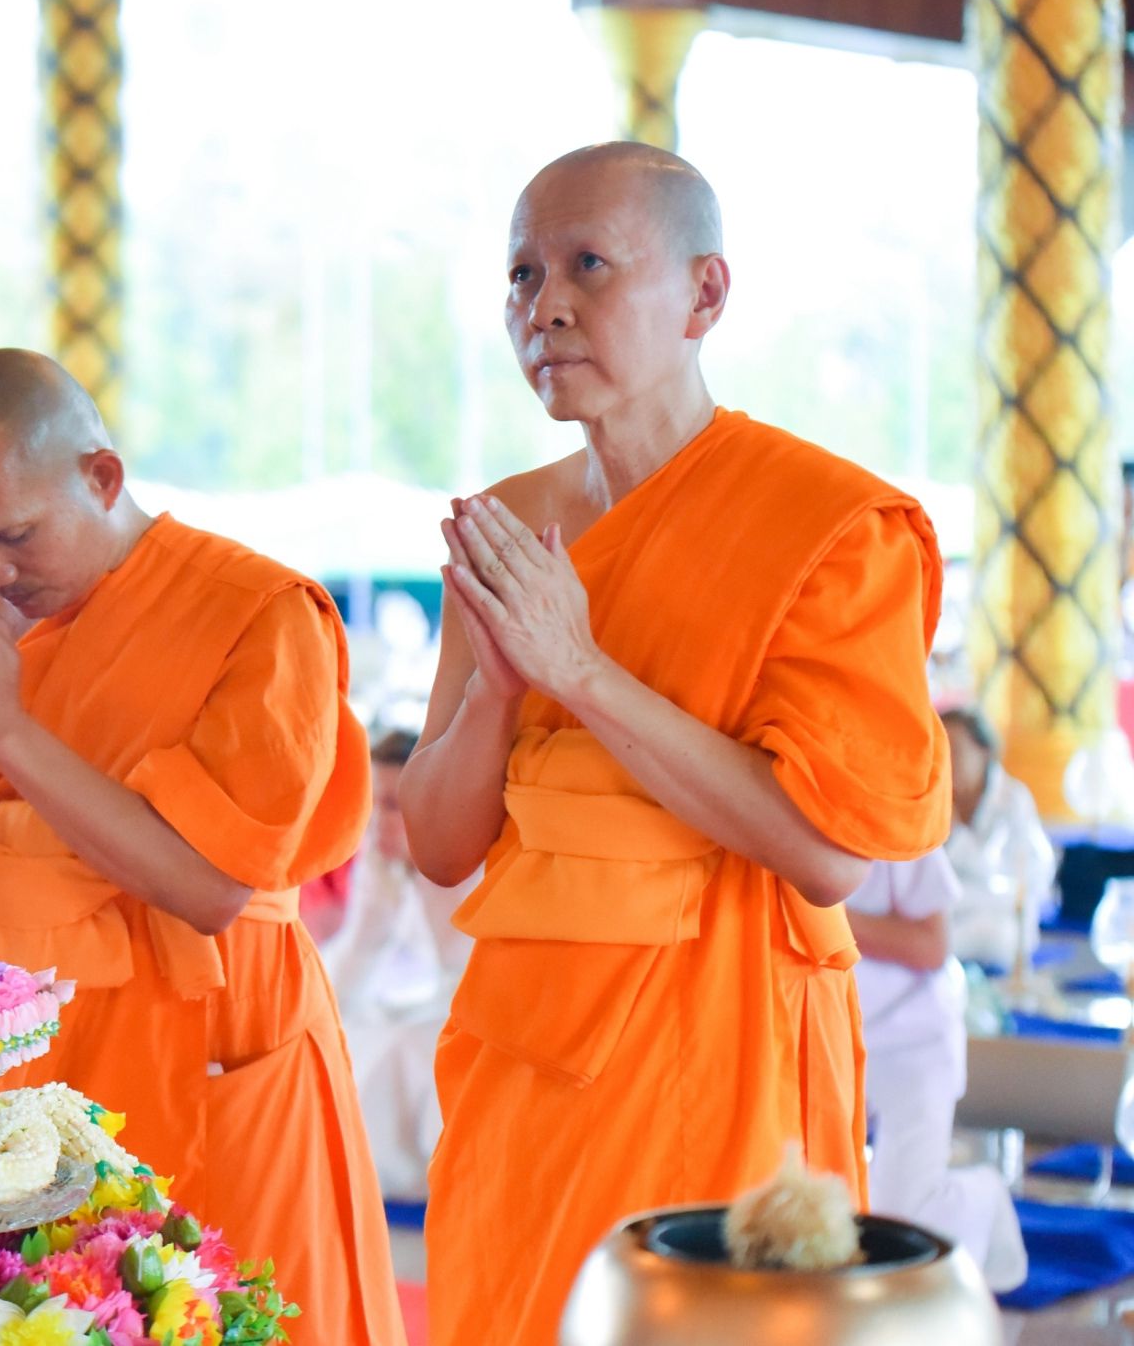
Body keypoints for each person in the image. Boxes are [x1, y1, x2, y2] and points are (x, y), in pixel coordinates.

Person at [400, 143, 951, 1344]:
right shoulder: (508, 528)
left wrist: (581, 675)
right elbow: (441, 847)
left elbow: (825, 857)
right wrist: (499, 690)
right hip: (524, 1059)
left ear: (705, 295)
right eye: (520, 276)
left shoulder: (819, 526)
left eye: (587, 266)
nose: (542, 306)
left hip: (721, 1057)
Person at [0, 348, 403, 1342]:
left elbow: (213, 887)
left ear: (100, 476)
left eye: (14, 535)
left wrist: (5, 730)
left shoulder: (259, 615)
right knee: (14, 1315)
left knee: (234, 1314)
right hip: (14, 1029)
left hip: (211, 1024)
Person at [844, 851, 1028, 1292]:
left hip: (914, 1039)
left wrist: (823, 911)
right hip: (838, 1034)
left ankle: (984, 1196)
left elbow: (931, 944)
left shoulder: (897, 808)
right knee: (841, 1202)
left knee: (900, 1217)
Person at [318, 726, 476, 1201]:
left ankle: (438, 1184)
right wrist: (317, 1017)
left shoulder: (461, 857)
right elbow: (359, 950)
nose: (374, 823)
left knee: (407, 1044)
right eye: (372, 804)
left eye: (391, 806)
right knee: (358, 1030)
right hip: (442, 996)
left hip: (480, 1004)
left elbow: (465, 971)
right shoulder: (383, 860)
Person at [941, 706, 1057, 969]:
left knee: (989, 935)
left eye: (956, 750)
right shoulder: (934, 801)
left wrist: (957, 837)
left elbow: (1018, 878)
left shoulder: (1012, 800)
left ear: (984, 752)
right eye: (939, 751)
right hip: (950, 911)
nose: (946, 761)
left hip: (998, 918)